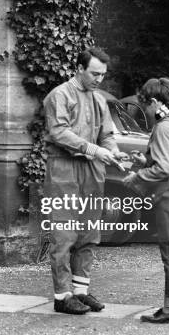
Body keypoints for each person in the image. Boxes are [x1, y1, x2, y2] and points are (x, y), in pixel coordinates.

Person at [43, 47, 128, 315]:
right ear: (79, 68)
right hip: (64, 168)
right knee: (64, 233)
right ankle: (62, 296)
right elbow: (59, 133)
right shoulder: (59, 95)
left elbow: (107, 135)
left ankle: (80, 291)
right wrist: (94, 150)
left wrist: (112, 150)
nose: (99, 79)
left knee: (89, 232)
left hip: (92, 170)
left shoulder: (100, 100)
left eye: (102, 74)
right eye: (94, 73)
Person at [123, 77, 169, 324]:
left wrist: (137, 177)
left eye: (145, 106)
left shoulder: (164, 126)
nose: (144, 111)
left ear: (154, 102)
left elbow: (165, 168)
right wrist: (146, 160)